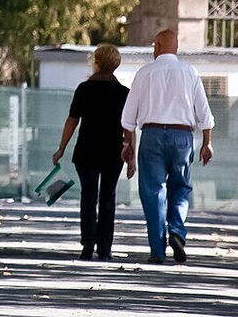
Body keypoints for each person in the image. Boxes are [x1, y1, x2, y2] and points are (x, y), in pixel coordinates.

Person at [120, 29, 214, 265]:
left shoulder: (144, 73)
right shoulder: (190, 72)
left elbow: (128, 119)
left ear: (158, 46)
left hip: (151, 135)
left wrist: (128, 145)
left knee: (153, 192)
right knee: (180, 188)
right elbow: (204, 113)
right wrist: (207, 143)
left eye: (154, 46)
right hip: (182, 137)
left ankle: (157, 250)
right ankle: (177, 232)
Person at [53, 43, 130, 261]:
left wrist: (61, 148)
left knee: (88, 196)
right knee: (108, 197)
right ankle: (105, 249)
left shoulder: (84, 89)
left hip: (86, 150)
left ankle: (87, 244)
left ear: (96, 62)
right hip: (113, 152)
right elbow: (129, 126)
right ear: (116, 65)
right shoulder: (124, 93)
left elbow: (72, 120)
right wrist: (130, 151)